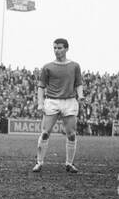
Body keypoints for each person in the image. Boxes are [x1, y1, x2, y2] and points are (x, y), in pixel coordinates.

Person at [33, 37, 83, 174]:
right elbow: (41, 86)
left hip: (69, 101)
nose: (57, 50)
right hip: (52, 101)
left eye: (60, 48)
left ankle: (69, 163)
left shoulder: (75, 66)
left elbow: (79, 83)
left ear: (66, 49)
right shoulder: (47, 67)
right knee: (45, 133)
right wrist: (40, 103)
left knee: (71, 134)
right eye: (55, 48)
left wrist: (81, 95)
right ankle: (39, 162)